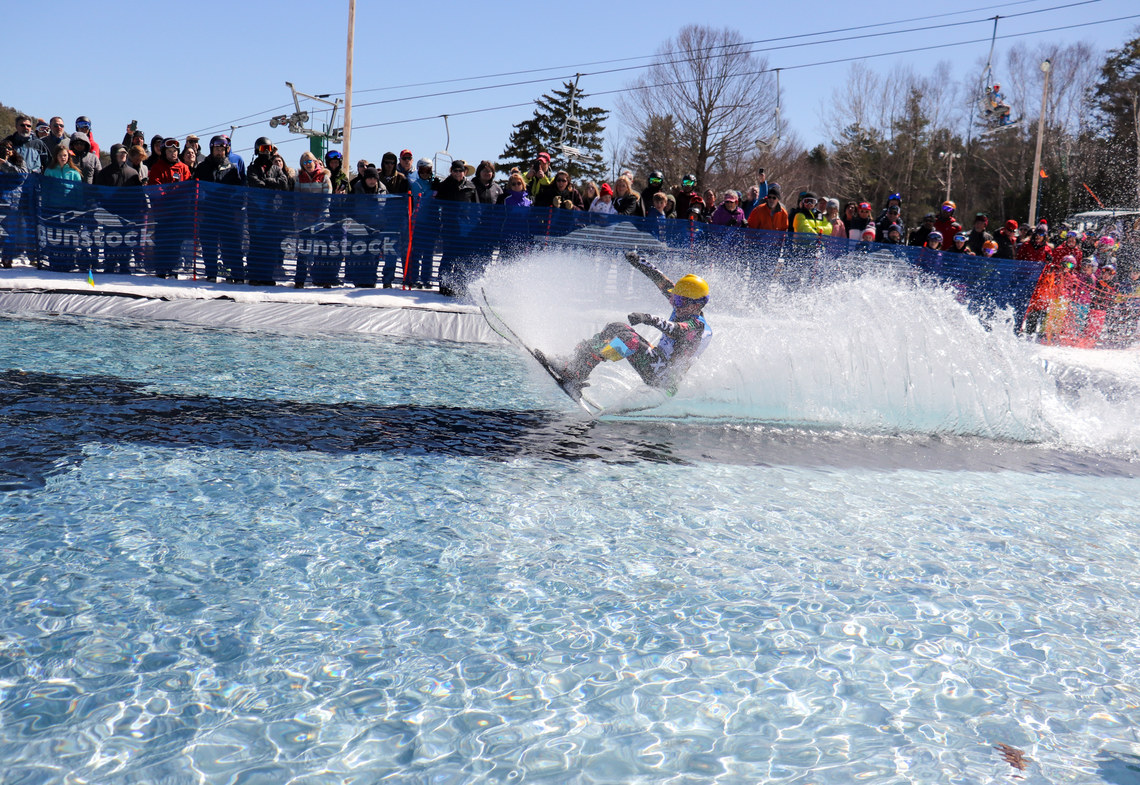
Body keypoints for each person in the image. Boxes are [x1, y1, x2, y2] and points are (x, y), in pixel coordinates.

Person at [539, 252, 712, 399]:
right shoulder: (683, 305)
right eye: (674, 298)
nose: (675, 303)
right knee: (617, 328)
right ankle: (578, 367)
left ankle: (576, 372)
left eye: (680, 300)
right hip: (656, 360)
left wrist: (648, 318)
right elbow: (660, 281)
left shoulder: (697, 326)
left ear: (696, 304)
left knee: (629, 341)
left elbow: (677, 330)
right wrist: (639, 262)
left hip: (663, 379)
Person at [195, 135, 246, 282]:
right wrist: (199, 210)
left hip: (227, 212)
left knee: (231, 244)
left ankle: (234, 273)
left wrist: (237, 210)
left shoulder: (231, 168)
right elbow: (196, 189)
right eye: (217, 149)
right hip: (208, 211)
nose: (219, 152)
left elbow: (238, 191)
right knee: (209, 244)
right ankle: (211, 272)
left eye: (222, 149)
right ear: (212, 149)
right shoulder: (203, 167)